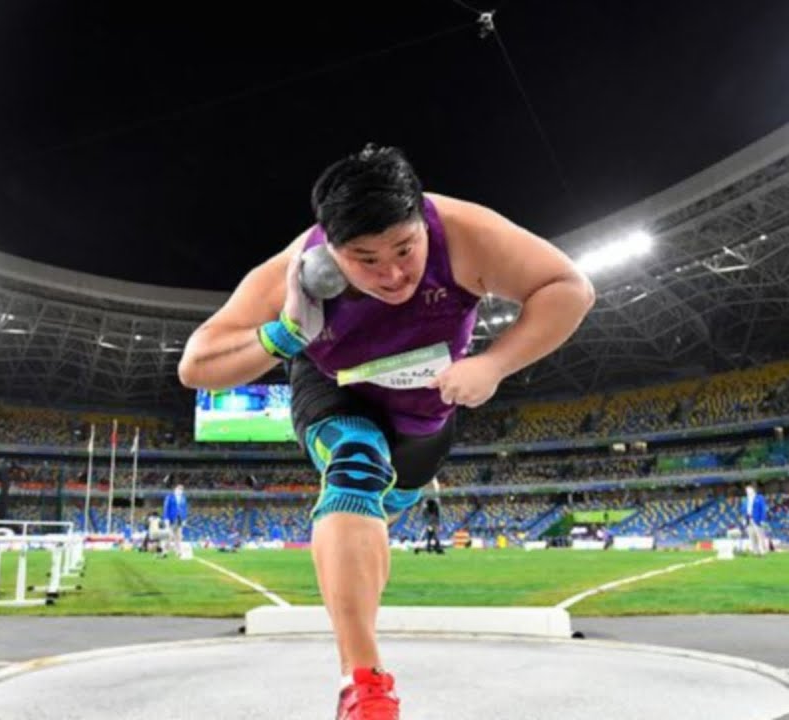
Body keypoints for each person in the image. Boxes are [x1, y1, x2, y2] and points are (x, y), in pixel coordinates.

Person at [179, 144, 594, 720]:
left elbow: (568, 288)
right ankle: (365, 686)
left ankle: (370, 536)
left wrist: (494, 363)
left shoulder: (466, 234)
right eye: (364, 260)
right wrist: (283, 333)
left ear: (421, 220)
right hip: (335, 391)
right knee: (355, 465)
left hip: (427, 416)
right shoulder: (294, 269)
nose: (393, 274)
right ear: (332, 250)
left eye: (404, 249)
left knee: (380, 495)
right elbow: (196, 367)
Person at [162, 485, 189, 557]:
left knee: (178, 537)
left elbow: (185, 509)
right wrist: (166, 518)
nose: (180, 490)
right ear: (175, 489)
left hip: (180, 520)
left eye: (181, 489)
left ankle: (178, 552)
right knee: (169, 536)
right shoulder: (169, 497)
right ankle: (165, 551)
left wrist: (184, 519)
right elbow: (166, 508)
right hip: (171, 519)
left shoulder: (183, 498)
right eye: (179, 489)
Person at [743, 485, 768, 557]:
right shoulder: (745, 500)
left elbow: (763, 509)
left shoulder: (759, 498)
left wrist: (763, 519)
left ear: (753, 490)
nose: (747, 491)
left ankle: (762, 551)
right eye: (746, 490)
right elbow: (744, 510)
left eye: (749, 490)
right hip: (748, 519)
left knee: (760, 536)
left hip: (757, 519)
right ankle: (755, 551)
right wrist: (744, 519)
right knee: (751, 536)